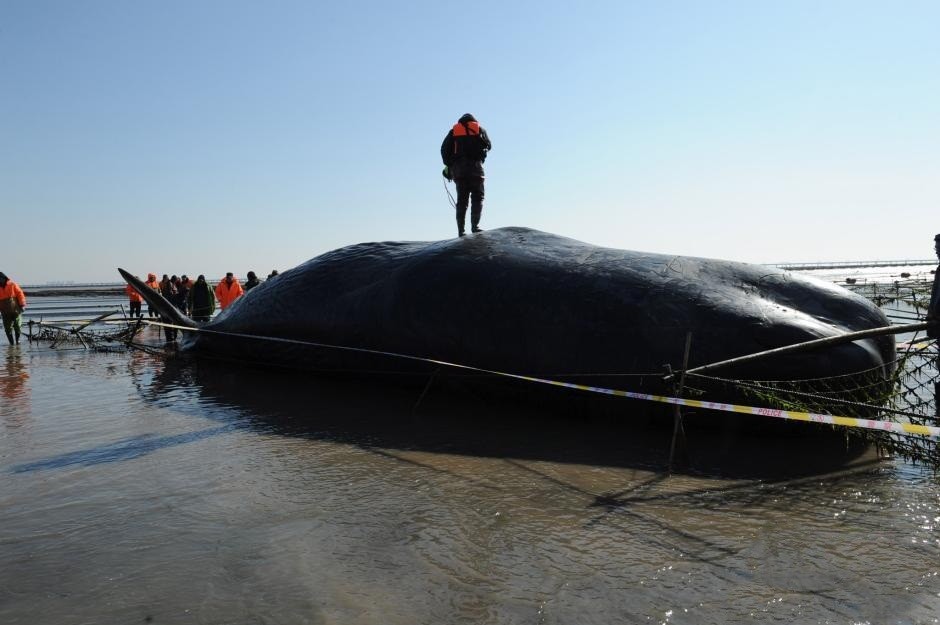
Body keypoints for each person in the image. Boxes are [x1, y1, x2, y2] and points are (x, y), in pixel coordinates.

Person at [440, 113, 492, 237]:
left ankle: (461, 231)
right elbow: (489, 146)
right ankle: (475, 227)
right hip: (476, 169)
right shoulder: (479, 129)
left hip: (459, 171)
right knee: (478, 197)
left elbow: (443, 149)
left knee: (462, 200)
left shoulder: (453, 131)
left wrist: (449, 165)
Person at [0, 272, 26, 345]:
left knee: (17, 325)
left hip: (16, 310)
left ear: (4, 278)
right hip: (5, 312)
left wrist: (23, 305)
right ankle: (11, 343)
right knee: (7, 328)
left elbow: (20, 294)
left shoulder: (12, 285)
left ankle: (18, 340)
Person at [928, 234, 940, 340]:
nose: (937, 252)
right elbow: (935, 296)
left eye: (939, 249)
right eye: (936, 249)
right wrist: (931, 314)